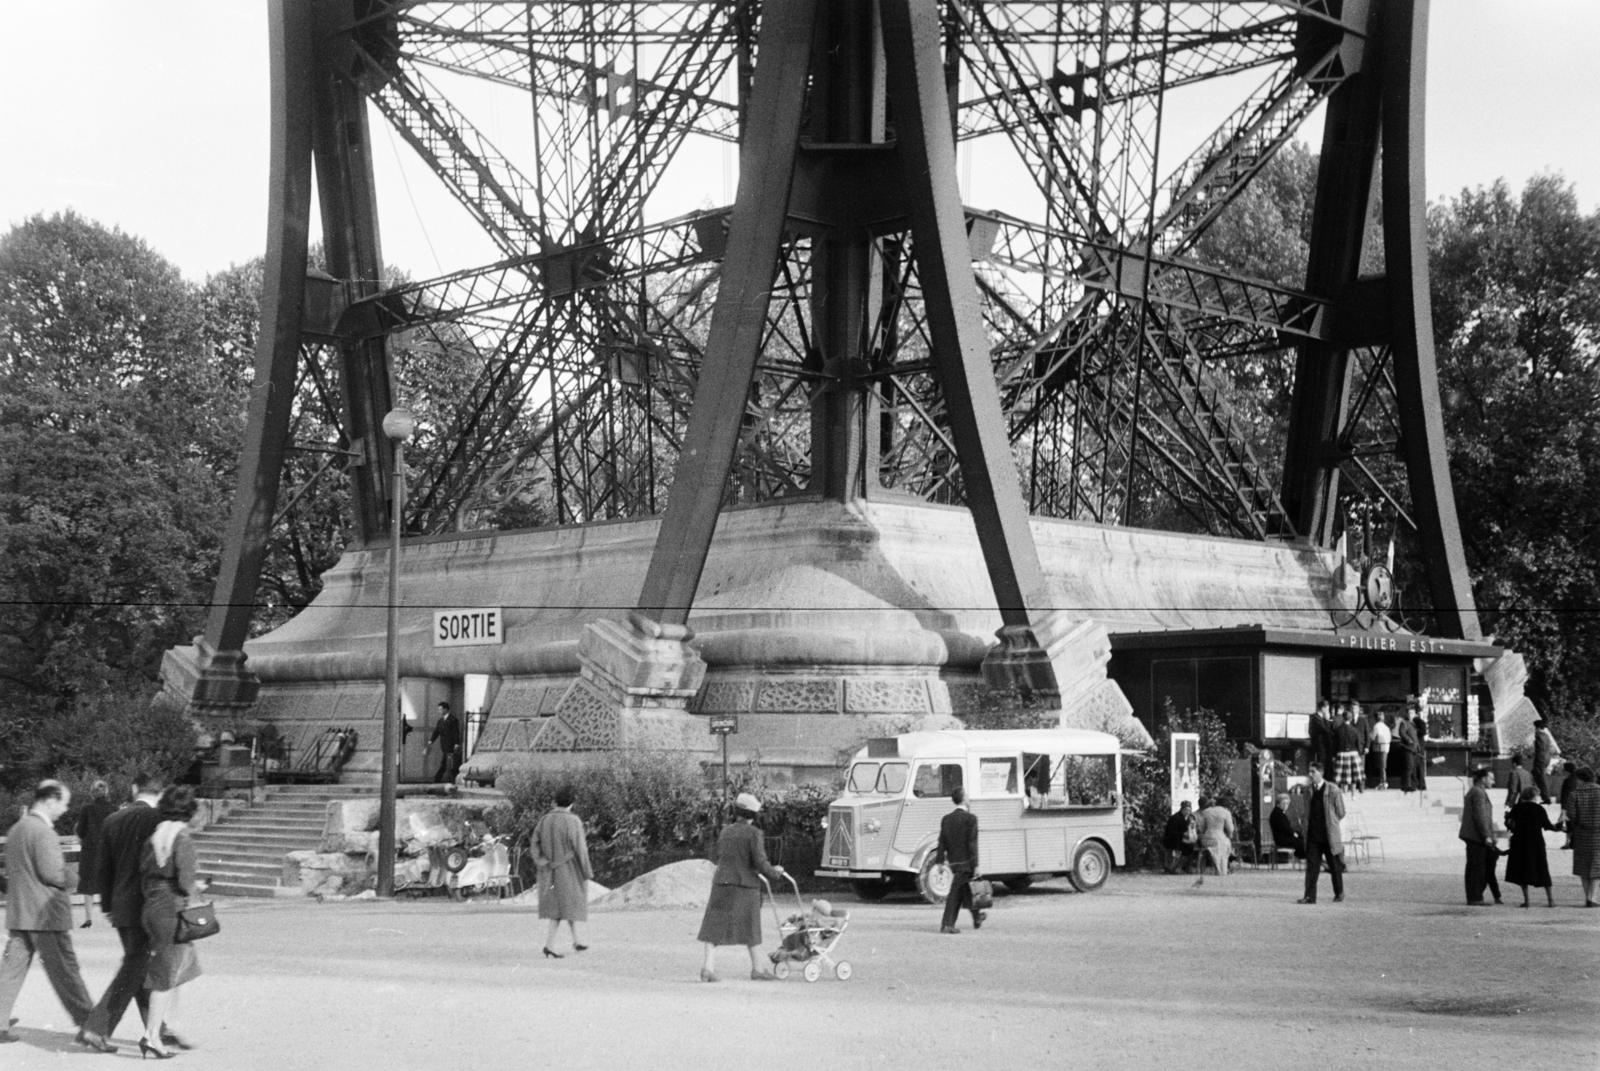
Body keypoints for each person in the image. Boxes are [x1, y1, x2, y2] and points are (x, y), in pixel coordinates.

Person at [0, 781, 98, 1048]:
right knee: (66, 971)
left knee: (10, 970)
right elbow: (53, 873)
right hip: (46, 915)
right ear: (50, 800)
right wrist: (78, 875)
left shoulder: (17, 828)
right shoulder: (43, 832)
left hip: (20, 912)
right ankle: (90, 1025)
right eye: (64, 803)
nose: (65, 810)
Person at [79, 772, 167, 1050]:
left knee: (137, 964)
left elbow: (103, 867)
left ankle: (157, 1028)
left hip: (119, 903)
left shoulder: (113, 819)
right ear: (160, 793)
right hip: (147, 904)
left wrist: (107, 905)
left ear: (133, 788)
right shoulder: (159, 820)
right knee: (135, 965)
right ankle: (97, 1027)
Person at [139, 786, 206, 1058]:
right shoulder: (183, 839)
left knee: (179, 967)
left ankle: (168, 1028)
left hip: (152, 906)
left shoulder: (152, 838)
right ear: (188, 811)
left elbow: (145, 876)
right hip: (172, 908)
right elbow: (185, 881)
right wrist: (197, 890)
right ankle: (152, 1036)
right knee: (166, 975)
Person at [697, 793, 785, 981]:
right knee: (751, 927)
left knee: (714, 925)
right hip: (744, 885)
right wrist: (775, 872)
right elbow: (760, 862)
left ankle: (708, 967)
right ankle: (757, 969)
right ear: (753, 814)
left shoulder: (725, 831)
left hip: (721, 882)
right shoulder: (754, 833)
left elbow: (721, 855)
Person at [533, 786, 593, 958]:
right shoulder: (573, 821)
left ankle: (576, 940)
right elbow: (581, 849)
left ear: (555, 802)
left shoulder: (544, 820)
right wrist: (586, 871)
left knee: (564, 906)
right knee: (564, 907)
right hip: (569, 868)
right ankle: (550, 945)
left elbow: (534, 844)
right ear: (572, 803)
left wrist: (541, 862)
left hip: (549, 869)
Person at [933, 786, 983, 934]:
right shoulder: (971, 819)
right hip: (967, 863)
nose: (968, 798)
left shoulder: (946, 819)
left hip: (954, 863)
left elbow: (941, 842)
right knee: (956, 894)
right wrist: (976, 865)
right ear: (963, 799)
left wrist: (940, 861)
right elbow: (972, 844)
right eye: (967, 795)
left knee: (966, 890)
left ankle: (977, 917)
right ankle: (946, 924)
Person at [1296, 763, 1346, 904]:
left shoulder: (1333, 789)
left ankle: (1339, 892)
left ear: (1321, 773)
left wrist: (1332, 822)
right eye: (1309, 772)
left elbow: (1341, 812)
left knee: (1334, 866)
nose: (1310, 775)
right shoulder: (1308, 791)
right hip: (1313, 835)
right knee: (1312, 867)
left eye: (1313, 772)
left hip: (1329, 834)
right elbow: (1306, 811)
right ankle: (1310, 896)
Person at [1504, 786, 1557, 909]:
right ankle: (1550, 900)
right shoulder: (1539, 809)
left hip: (1520, 841)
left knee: (1522, 870)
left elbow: (1509, 823)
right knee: (1542, 869)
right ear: (1534, 796)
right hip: (1536, 841)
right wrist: (1559, 828)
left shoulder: (1517, 808)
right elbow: (1547, 825)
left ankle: (1527, 900)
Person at [73, 781, 115, 929]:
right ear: (107, 792)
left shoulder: (87, 809)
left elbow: (80, 831)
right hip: (107, 850)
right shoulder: (112, 809)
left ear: (92, 792)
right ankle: (113, 916)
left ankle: (88, 918)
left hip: (90, 851)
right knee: (110, 882)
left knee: (88, 885)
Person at [1459, 767, 1502, 906]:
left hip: (1475, 835)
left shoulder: (1478, 791)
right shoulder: (1477, 793)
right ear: (1483, 778)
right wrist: (1486, 836)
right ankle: (1475, 897)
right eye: (1491, 778)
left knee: (1477, 866)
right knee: (1477, 868)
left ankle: (1476, 896)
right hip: (1476, 836)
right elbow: (1480, 816)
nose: (1493, 781)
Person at [1565, 766, 1600, 907]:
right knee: (1597, 867)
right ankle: (1593, 898)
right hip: (1598, 834)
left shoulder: (1574, 794)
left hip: (1582, 834)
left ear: (1580, 779)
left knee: (1583, 866)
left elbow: (1571, 815)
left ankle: (1588, 897)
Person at [1192, 798, 1235, 886]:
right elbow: (1230, 829)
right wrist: (1229, 835)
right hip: (1220, 836)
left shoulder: (1206, 812)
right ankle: (1223, 868)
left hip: (1207, 839)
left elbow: (1202, 827)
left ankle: (1215, 866)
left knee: (1214, 847)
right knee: (1225, 845)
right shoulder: (1226, 812)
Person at [429, 702, 463, 784]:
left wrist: (456, 743)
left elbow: (456, 732)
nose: (439, 711)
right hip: (444, 745)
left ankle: (437, 780)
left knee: (448, 764)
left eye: (440, 709)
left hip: (451, 746)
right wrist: (431, 740)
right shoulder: (440, 721)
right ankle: (452, 780)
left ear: (446, 709)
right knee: (448, 764)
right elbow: (436, 731)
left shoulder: (453, 720)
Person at [1161, 801, 1198, 874]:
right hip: (1173, 840)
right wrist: (1183, 834)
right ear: (1182, 809)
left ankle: (1186, 866)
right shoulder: (1175, 818)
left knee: (1191, 846)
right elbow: (1171, 832)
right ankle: (1173, 867)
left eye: (1189, 810)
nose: (1187, 812)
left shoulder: (1190, 818)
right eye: (1186, 810)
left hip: (1183, 839)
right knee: (1186, 847)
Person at [1333, 708, 1363, 795]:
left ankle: (1343, 791)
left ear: (1343, 718)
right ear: (1351, 718)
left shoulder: (1338, 730)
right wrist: (1360, 753)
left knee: (1342, 775)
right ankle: (1353, 794)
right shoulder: (1355, 730)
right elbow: (1359, 743)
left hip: (1341, 753)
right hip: (1353, 753)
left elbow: (1335, 744)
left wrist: (1334, 755)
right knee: (1353, 775)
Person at [1532, 719, 1561, 804]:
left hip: (1540, 759)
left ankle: (1546, 797)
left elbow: (1540, 749)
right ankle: (1542, 795)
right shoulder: (1546, 736)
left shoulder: (1538, 735)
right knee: (1536, 774)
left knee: (1540, 778)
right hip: (1546, 758)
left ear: (1537, 727)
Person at [1392, 712, 1421, 794]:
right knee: (1409, 766)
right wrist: (1408, 740)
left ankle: (1413, 784)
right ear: (1407, 715)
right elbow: (1402, 732)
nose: (1411, 715)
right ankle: (1406, 785)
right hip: (1407, 748)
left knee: (1413, 767)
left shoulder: (1413, 724)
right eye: (1409, 713)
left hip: (1414, 749)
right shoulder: (1404, 723)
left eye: (1412, 714)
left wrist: (1418, 746)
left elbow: (1415, 737)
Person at [1269, 792, 1303, 860]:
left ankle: (1305, 857)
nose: (1286, 805)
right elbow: (1286, 828)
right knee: (1302, 842)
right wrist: (1294, 834)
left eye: (1287, 804)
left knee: (1301, 838)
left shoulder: (1278, 812)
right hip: (1282, 840)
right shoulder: (1278, 814)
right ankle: (1306, 858)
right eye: (1284, 803)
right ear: (1278, 804)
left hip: (1283, 838)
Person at [1368, 713, 1391, 790]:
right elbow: (1390, 738)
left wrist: (1368, 734)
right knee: (1383, 766)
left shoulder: (1376, 726)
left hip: (1379, 748)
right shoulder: (1386, 727)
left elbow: (1372, 737)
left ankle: (1383, 782)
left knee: (1381, 767)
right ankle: (1383, 782)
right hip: (1386, 748)